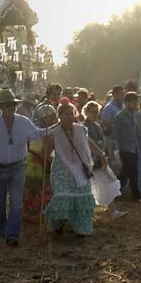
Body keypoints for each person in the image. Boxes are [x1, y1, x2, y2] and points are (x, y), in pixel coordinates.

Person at [0, 89, 55, 246]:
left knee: (17, 202)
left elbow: (35, 133)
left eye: (13, 104)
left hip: (18, 167)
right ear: (2, 106)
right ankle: (2, 230)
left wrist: (50, 130)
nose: (11, 107)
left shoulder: (24, 121)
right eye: (8, 105)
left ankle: (12, 235)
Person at [43, 101, 101, 237]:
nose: (70, 117)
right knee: (63, 197)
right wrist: (46, 143)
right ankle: (58, 225)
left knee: (82, 197)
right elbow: (45, 155)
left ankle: (82, 228)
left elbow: (89, 143)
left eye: (72, 114)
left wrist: (101, 155)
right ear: (60, 116)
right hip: (62, 172)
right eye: (66, 114)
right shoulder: (54, 132)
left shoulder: (80, 130)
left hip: (80, 170)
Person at [82, 100, 124, 220]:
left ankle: (113, 211)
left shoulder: (97, 126)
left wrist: (105, 153)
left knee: (108, 183)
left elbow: (101, 143)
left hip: (99, 161)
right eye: (93, 112)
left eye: (97, 112)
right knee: (88, 189)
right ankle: (88, 214)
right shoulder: (83, 127)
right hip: (89, 162)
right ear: (87, 112)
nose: (95, 114)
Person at [112, 92, 141, 202]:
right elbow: (115, 135)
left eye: (137, 103)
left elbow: (137, 130)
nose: (136, 105)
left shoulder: (135, 115)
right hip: (124, 148)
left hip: (134, 147)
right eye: (134, 103)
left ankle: (114, 191)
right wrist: (114, 150)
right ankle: (137, 196)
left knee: (125, 173)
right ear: (126, 103)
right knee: (133, 172)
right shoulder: (119, 117)